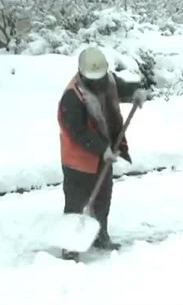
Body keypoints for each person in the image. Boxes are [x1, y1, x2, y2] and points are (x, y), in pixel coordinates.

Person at [58, 47, 147, 261]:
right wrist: (102, 148)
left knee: (102, 199)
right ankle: (70, 246)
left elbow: (121, 88)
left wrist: (137, 91)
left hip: (101, 155)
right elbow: (78, 132)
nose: (99, 82)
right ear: (82, 73)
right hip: (78, 160)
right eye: (93, 79)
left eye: (101, 77)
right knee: (76, 203)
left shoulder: (107, 80)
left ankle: (100, 235)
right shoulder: (73, 96)